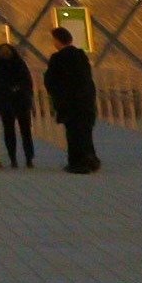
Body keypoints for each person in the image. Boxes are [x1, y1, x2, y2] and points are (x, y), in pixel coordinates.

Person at [45, 25, 100, 173]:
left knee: (73, 133)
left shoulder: (57, 58)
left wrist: (57, 95)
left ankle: (77, 162)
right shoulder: (81, 56)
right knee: (85, 132)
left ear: (58, 40)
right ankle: (90, 159)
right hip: (85, 100)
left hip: (69, 102)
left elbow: (51, 81)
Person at [0, 41, 35, 169]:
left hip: (15, 101)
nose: (5, 54)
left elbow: (26, 81)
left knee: (21, 131)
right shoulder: (13, 64)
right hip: (11, 101)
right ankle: (18, 158)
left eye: (6, 51)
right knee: (16, 131)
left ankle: (25, 158)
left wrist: (13, 90)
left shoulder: (1, 65)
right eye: (3, 52)